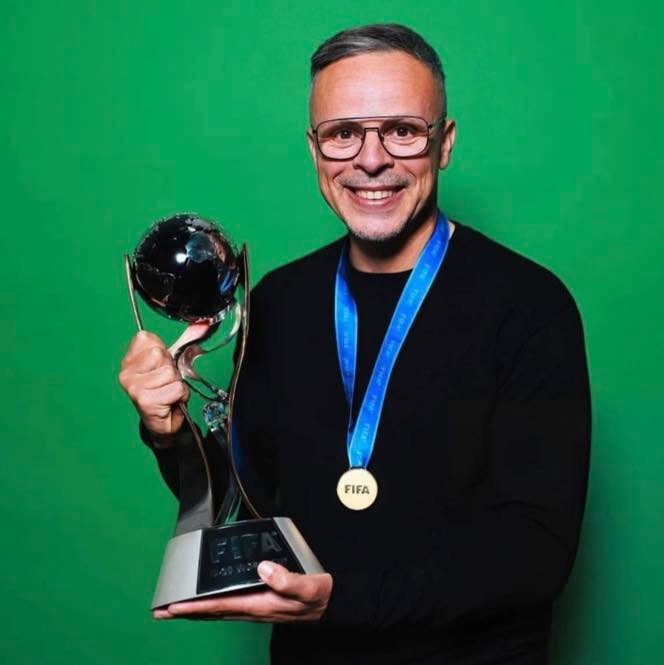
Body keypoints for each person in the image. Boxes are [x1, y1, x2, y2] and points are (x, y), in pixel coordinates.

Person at [119, 23, 591, 665]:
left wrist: (338, 601)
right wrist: (168, 428)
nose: (371, 160)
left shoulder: (531, 306)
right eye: (343, 133)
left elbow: (537, 553)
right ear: (314, 149)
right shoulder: (278, 301)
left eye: (402, 130)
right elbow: (237, 502)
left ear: (445, 143)